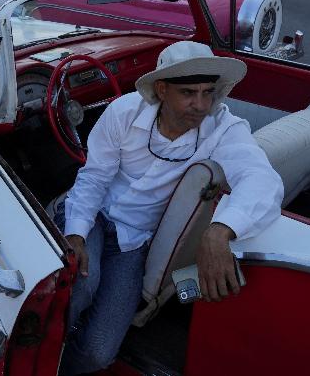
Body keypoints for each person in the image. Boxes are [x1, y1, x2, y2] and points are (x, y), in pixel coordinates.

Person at [54, 41, 282, 375]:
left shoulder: (224, 127)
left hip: (134, 242)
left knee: (98, 353)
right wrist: (75, 233)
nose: (201, 105)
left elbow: (262, 179)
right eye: (189, 92)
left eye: (208, 92)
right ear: (162, 89)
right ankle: (30, 354)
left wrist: (220, 231)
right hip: (93, 217)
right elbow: (94, 179)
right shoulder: (123, 112)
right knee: (80, 287)